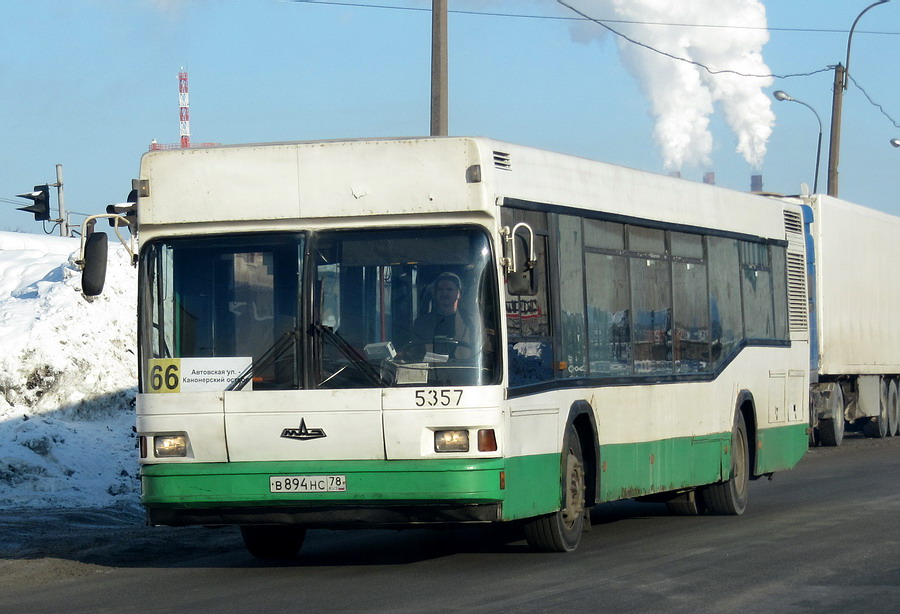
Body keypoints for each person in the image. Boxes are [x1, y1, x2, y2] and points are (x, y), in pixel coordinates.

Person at [409, 272, 476, 360]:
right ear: (435, 294)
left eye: (449, 289)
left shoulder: (471, 322)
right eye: (440, 290)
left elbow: (481, 353)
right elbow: (413, 354)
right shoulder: (421, 323)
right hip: (430, 371)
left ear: (459, 293)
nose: (444, 293)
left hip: (463, 371)